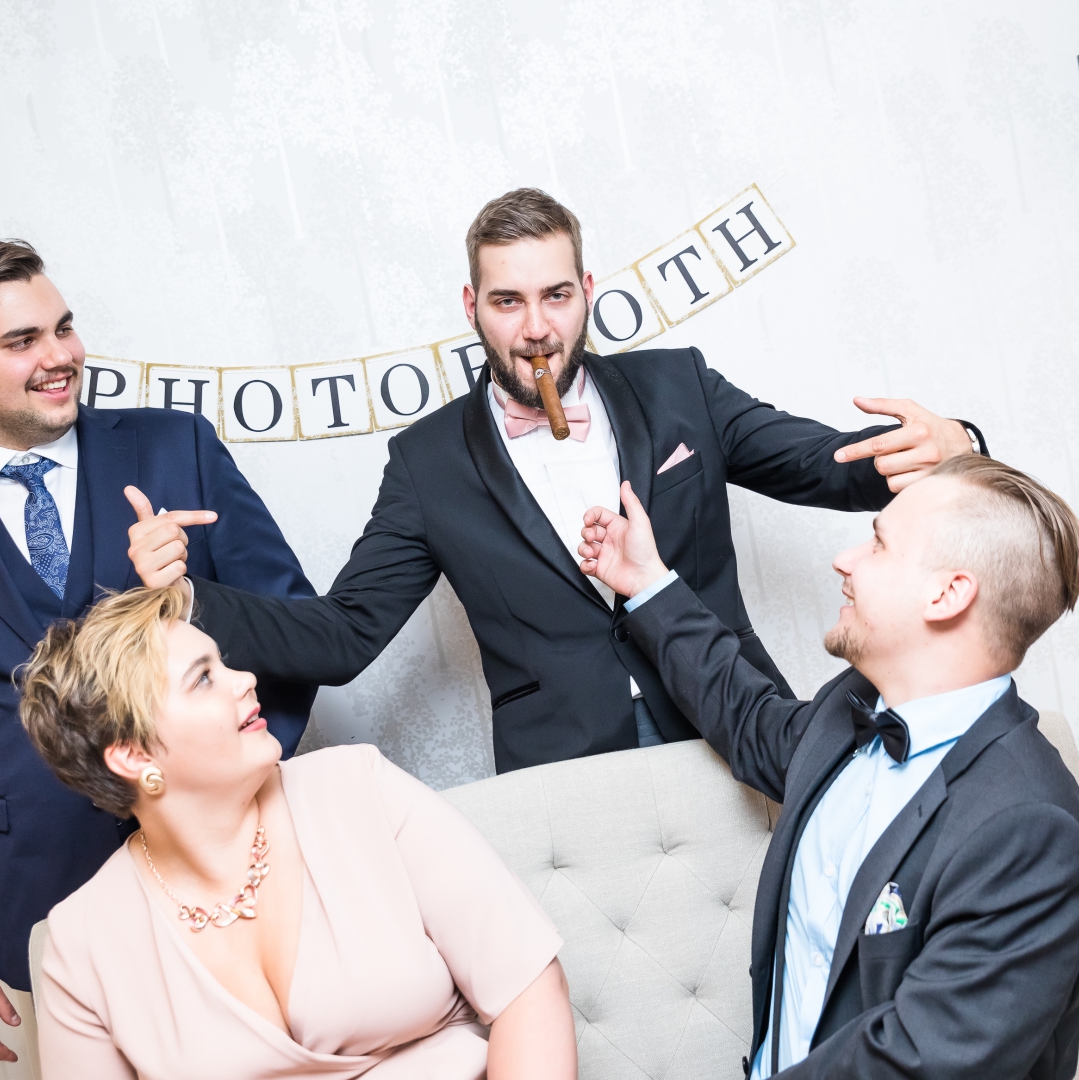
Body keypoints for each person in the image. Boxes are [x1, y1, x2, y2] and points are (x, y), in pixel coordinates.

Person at [130, 187, 987, 774]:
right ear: (471, 307)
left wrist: (954, 445)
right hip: (564, 775)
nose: (536, 328)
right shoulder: (429, 463)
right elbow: (344, 636)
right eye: (508, 302)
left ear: (587, 291)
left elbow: (825, 465)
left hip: (732, 728)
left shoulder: (679, 387)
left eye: (556, 296)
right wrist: (187, 596)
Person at [0, 240, 317, 1063]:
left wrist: (239, 779)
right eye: (22, 340)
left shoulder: (176, 448)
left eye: (63, 328)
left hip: (242, 862)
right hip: (46, 889)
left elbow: (296, 631)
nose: (60, 356)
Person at [576, 455, 1079, 1078]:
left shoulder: (1028, 827)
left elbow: (922, 1063)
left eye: (878, 544)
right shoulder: (846, 711)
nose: (845, 560)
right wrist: (647, 582)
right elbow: (747, 718)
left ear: (947, 594)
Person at [19, 584, 574, 1079]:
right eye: (204, 678)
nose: (246, 679)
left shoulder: (360, 788)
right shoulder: (82, 943)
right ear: (134, 756)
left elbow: (528, 989)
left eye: (223, 663)